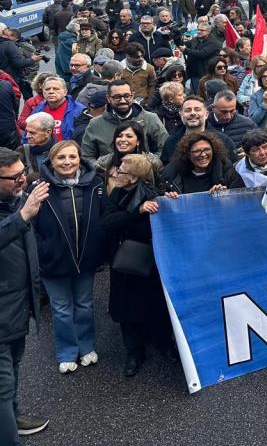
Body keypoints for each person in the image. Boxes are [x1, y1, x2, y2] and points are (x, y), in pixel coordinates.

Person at [100, 153, 177, 377]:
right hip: (125, 261)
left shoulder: (155, 195)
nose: (116, 173)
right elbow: (107, 222)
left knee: (156, 307)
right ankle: (134, 353)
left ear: (134, 177)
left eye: (121, 171)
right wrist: (136, 211)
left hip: (151, 261)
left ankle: (165, 345)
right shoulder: (116, 194)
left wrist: (170, 200)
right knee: (127, 310)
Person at [34, 141, 105, 373]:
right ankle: (66, 351)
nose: (67, 162)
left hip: (85, 259)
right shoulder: (39, 187)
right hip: (53, 262)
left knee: (84, 305)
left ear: (79, 158)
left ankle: (86, 346)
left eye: (72, 157)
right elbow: (30, 226)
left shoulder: (95, 184)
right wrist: (42, 252)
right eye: (61, 158)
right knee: (62, 308)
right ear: (51, 161)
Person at [0, 147, 50, 441]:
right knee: (2, 385)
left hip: (16, 307)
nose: (22, 181)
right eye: (13, 177)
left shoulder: (14, 201)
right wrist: (23, 215)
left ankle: (13, 418)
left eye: (23, 173)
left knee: (14, 370)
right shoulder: (19, 209)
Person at [81, 81, 168, 162]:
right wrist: (105, 168)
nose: (123, 101)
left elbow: (165, 149)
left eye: (126, 96)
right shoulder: (95, 124)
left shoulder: (151, 119)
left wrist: (146, 165)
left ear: (132, 96)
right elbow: (87, 157)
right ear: (108, 98)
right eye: (117, 97)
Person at [159, 131, 244, 194]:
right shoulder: (172, 173)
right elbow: (161, 198)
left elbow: (240, 199)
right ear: (188, 154)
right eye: (197, 151)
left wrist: (226, 194)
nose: (203, 154)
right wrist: (170, 197)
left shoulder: (226, 170)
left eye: (207, 150)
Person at [95, 122, 162, 182]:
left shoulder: (152, 163)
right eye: (119, 136)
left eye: (129, 136)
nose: (123, 139)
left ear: (138, 141)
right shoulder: (103, 164)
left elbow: (160, 187)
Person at [27, 76, 85, 143]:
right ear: (43, 92)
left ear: (65, 92)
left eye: (56, 89)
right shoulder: (37, 111)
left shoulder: (79, 110)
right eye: (47, 89)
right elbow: (28, 134)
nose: (51, 92)